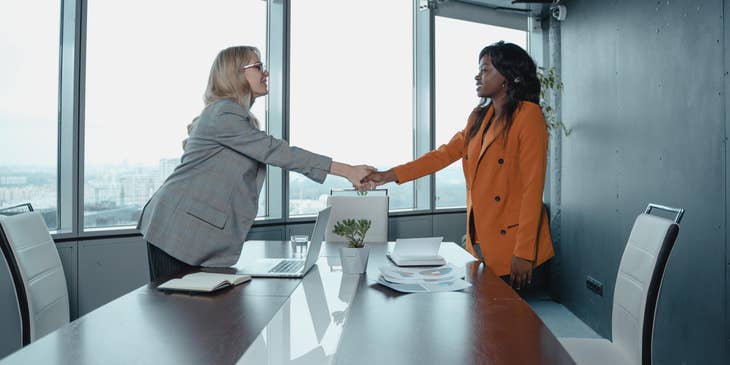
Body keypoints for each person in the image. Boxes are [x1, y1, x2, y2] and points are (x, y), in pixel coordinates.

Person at [138, 46, 373, 281]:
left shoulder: (232, 116)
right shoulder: (224, 113)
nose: (266, 72)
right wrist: (347, 170)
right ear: (236, 73)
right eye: (258, 66)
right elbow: (278, 151)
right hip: (177, 231)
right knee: (177, 309)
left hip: (190, 231)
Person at [363, 41, 554, 290]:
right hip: (479, 240)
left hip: (515, 245)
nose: (477, 76)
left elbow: (532, 188)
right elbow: (442, 155)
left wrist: (525, 252)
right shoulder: (479, 117)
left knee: (511, 324)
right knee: (484, 321)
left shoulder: (528, 115)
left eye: (485, 70)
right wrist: (388, 175)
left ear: (508, 76)